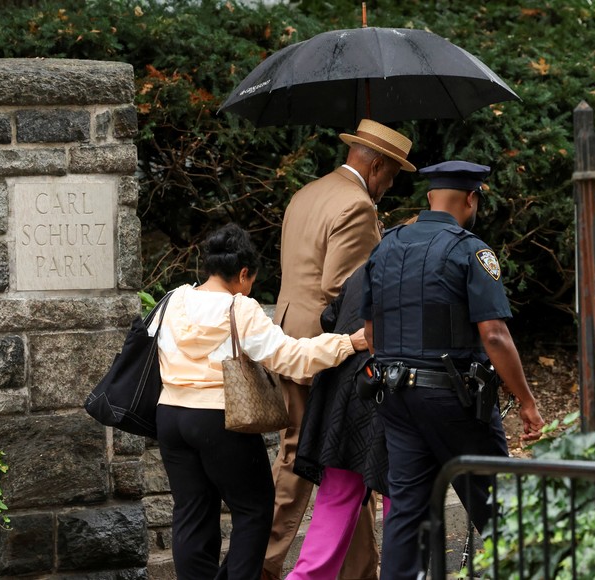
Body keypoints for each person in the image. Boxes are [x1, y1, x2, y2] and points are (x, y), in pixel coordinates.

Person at [359, 161, 546, 579]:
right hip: (452, 398)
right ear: (471, 198)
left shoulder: (385, 246)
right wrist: (527, 401)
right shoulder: (470, 250)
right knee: (492, 496)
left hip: (394, 395)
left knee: (406, 507)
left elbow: (371, 331)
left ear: (429, 197)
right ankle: (520, 571)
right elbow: (494, 334)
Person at [153, 223, 368, 580]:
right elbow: (290, 356)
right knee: (253, 508)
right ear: (242, 273)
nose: (250, 286)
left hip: (170, 416)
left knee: (191, 512)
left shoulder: (173, 299)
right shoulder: (239, 308)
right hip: (218, 419)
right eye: (250, 279)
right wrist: (347, 343)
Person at [265, 119, 415, 580]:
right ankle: (261, 563)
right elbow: (344, 287)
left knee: (347, 460)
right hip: (330, 348)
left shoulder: (308, 191)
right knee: (308, 458)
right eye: (391, 176)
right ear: (377, 165)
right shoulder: (357, 205)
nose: (388, 186)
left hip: (288, 332)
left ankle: (359, 572)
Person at [287, 265, 391, 580]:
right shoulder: (424, 266)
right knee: (403, 498)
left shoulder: (364, 270)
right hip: (392, 392)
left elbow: (328, 317)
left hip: (343, 392)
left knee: (335, 504)